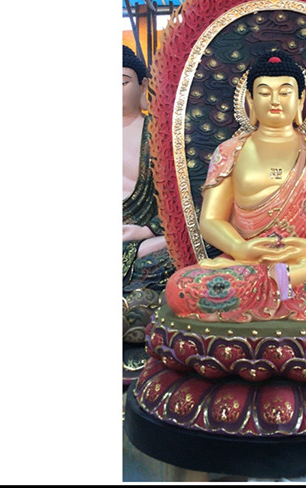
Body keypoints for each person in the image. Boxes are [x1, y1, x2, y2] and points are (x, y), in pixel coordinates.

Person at [165, 52, 306, 322]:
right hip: (250, 264)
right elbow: (211, 220)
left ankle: (287, 280)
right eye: (264, 93)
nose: (275, 100)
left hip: (305, 260)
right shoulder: (229, 152)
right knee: (180, 289)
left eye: (285, 92)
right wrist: (239, 248)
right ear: (250, 101)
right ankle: (285, 284)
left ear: (300, 100)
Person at [123, 45, 175, 377]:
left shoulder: (160, 133)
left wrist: (148, 230)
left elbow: (180, 196)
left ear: (143, 86)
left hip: (146, 243)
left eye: (121, 82)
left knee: (190, 248)